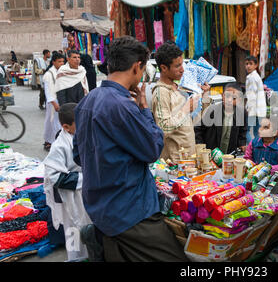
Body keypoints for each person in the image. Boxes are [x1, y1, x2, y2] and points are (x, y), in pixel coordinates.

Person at [73, 36, 188, 262]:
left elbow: (78, 155)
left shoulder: (88, 100)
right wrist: (144, 109)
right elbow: (153, 148)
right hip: (130, 210)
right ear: (137, 67)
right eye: (144, 70)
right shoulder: (122, 105)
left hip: (100, 207)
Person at [43, 103, 92, 262]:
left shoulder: (81, 135)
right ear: (66, 126)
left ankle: (90, 255)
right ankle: (75, 259)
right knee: (73, 231)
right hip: (70, 198)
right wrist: (88, 177)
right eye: (81, 123)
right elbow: (55, 177)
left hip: (85, 193)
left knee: (88, 228)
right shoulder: (60, 146)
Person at [152, 42, 211, 161]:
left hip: (188, 159)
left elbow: (196, 120)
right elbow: (163, 128)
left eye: (182, 64)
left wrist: (204, 96)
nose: (182, 70)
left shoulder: (179, 88)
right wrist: (185, 110)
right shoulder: (161, 92)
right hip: (174, 163)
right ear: (163, 68)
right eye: (177, 66)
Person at [195, 82, 248, 155]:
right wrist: (201, 147)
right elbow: (198, 129)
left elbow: (242, 131)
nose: (229, 100)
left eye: (234, 98)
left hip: (230, 154)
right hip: (211, 152)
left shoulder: (241, 112)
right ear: (222, 96)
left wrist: (242, 144)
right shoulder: (213, 110)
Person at [42, 53, 65, 151]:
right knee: (51, 123)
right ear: (53, 62)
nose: (61, 63)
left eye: (63, 61)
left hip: (61, 100)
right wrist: (53, 103)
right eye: (59, 61)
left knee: (58, 123)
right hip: (53, 102)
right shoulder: (49, 74)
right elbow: (48, 91)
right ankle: (49, 142)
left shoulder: (62, 72)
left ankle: (55, 142)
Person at [245, 55, 267, 145]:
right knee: (256, 132)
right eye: (246, 64)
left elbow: (252, 96)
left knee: (245, 130)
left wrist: (248, 109)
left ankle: (252, 147)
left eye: (250, 64)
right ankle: (258, 148)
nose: (248, 66)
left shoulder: (252, 77)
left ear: (256, 65)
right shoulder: (256, 76)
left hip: (254, 110)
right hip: (260, 110)